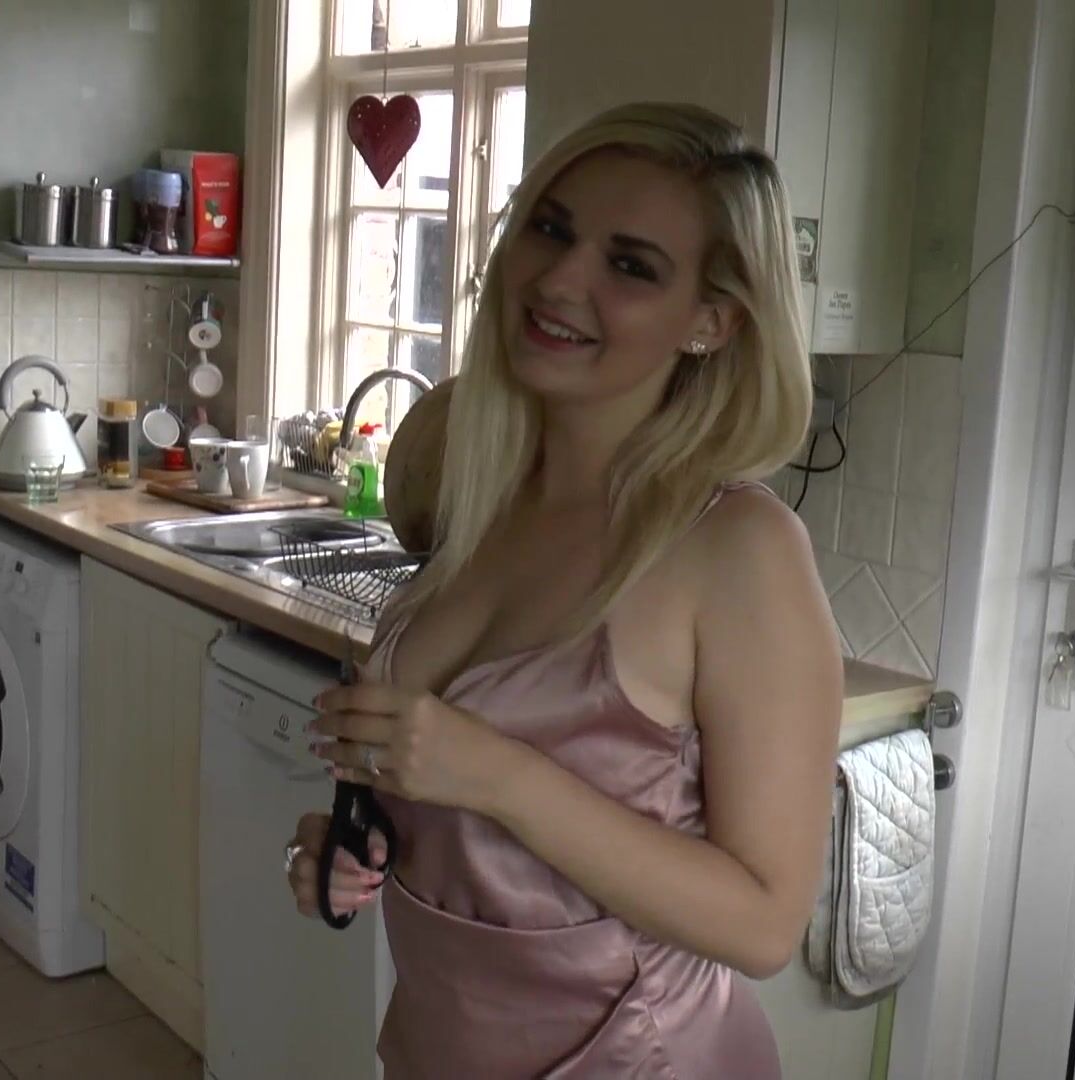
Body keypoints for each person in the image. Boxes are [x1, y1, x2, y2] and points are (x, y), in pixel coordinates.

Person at [287, 101, 844, 1079]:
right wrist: (358, 843)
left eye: (631, 265)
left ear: (711, 321)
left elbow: (765, 923)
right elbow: (462, 819)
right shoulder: (484, 498)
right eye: (550, 228)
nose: (558, 279)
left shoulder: (737, 549)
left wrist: (493, 775)